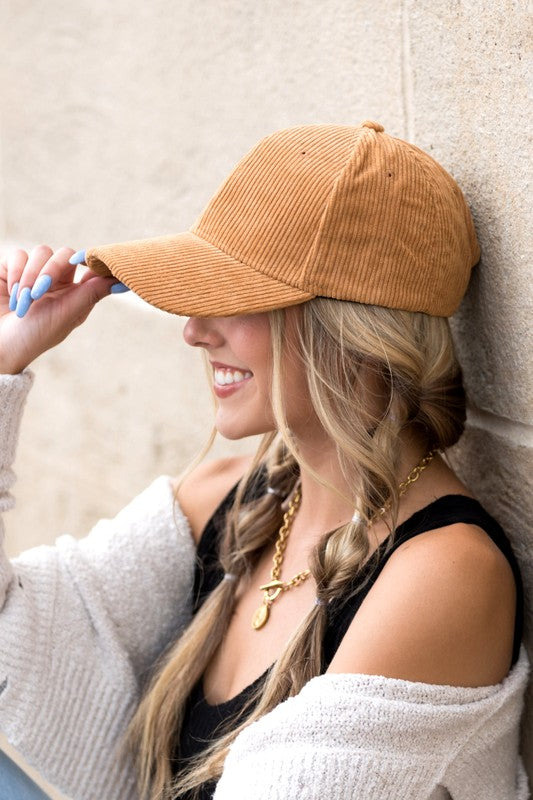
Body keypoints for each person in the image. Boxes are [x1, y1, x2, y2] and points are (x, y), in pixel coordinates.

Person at [0, 121, 528, 800]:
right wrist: (5, 363)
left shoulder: (442, 572)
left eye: (233, 296)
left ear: (351, 326)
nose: (194, 330)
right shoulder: (231, 497)